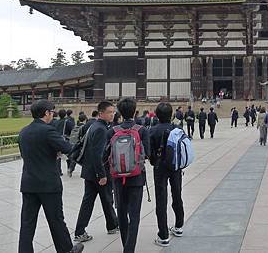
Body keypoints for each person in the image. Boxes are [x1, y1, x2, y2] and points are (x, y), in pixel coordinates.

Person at [18, 100, 84, 253]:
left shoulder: (24, 132)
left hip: (28, 183)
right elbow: (67, 148)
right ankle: (66, 250)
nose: (53, 115)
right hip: (48, 184)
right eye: (52, 112)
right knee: (56, 220)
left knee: (27, 223)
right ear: (46, 113)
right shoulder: (48, 131)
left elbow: (26, 154)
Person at [105, 98, 150, 253]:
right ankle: (129, 249)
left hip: (118, 177)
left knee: (122, 213)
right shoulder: (141, 130)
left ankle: (125, 245)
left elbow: (105, 155)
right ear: (134, 110)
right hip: (137, 177)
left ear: (120, 112)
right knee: (135, 215)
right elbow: (148, 154)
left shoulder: (112, 131)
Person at [73, 101, 119, 243]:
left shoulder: (95, 125)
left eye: (113, 112)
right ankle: (82, 231)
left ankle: (111, 225)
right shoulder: (100, 129)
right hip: (98, 172)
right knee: (102, 199)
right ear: (101, 113)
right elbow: (97, 154)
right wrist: (102, 175)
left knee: (97, 200)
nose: (112, 114)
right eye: (109, 112)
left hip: (90, 171)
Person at [149, 103, 185, 247]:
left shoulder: (152, 130)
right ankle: (178, 226)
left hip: (160, 167)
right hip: (175, 167)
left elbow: (149, 152)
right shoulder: (177, 129)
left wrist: (154, 161)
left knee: (161, 199)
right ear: (171, 115)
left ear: (157, 115)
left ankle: (163, 235)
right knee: (177, 194)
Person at [55, 109, 75, 175]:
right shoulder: (67, 122)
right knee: (69, 154)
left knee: (58, 156)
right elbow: (72, 129)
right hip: (65, 139)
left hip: (57, 139)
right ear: (65, 115)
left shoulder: (56, 122)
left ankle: (58, 171)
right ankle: (69, 168)